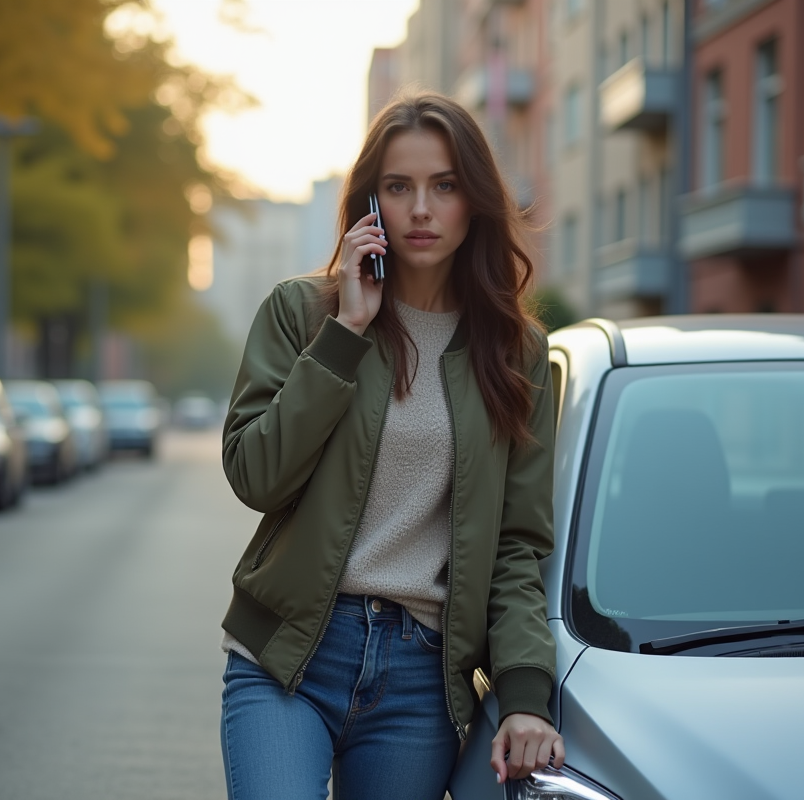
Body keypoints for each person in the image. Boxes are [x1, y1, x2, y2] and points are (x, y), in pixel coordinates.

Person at [218, 90, 564, 800]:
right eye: (398, 187)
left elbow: (518, 543)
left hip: (420, 676)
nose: (422, 209)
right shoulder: (300, 312)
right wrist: (346, 332)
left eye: (445, 186)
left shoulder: (515, 351)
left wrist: (526, 691)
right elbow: (256, 474)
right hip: (290, 656)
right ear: (370, 204)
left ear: (476, 201)